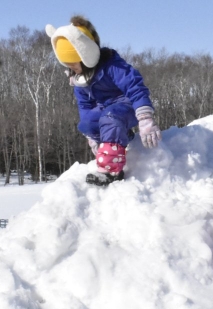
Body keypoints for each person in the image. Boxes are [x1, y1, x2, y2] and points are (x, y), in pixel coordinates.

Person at [45, 16, 162, 186]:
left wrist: (145, 117)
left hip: (127, 105)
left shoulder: (112, 65)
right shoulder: (80, 79)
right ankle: (111, 148)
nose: (71, 68)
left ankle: (112, 170)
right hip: (107, 110)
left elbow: (135, 87)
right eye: (67, 64)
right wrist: (92, 135)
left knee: (110, 116)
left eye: (74, 63)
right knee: (86, 123)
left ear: (86, 55)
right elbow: (84, 106)